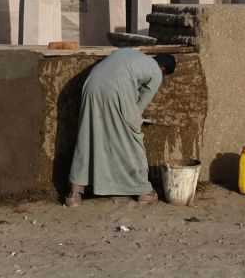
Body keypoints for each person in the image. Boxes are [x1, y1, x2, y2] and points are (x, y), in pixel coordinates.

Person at [66, 49, 177, 207]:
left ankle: (74, 193)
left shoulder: (132, 54)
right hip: (115, 90)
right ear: (164, 69)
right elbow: (140, 106)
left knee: (87, 135)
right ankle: (143, 190)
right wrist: (133, 122)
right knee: (132, 139)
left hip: (90, 86)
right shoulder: (156, 71)